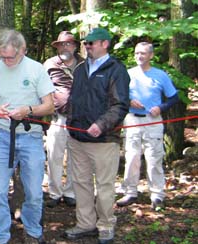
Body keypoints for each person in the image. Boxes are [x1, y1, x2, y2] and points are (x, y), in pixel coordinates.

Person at [0, 29, 54, 244]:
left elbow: (50, 105)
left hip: (30, 136)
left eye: (10, 56)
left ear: (22, 50)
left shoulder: (35, 69)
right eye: (1, 55)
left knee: (34, 192)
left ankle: (33, 232)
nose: (5, 60)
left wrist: (29, 110)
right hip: (1, 137)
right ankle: (0, 237)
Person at [64, 27, 130, 244]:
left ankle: (106, 225)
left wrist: (101, 125)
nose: (87, 47)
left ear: (105, 44)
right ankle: (85, 223)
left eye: (91, 43)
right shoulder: (81, 69)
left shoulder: (116, 70)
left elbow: (120, 105)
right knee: (80, 183)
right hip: (77, 137)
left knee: (104, 185)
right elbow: (75, 99)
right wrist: (70, 122)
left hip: (103, 140)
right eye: (86, 43)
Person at [116, 42, 179, 210]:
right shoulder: (127, 74)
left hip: (153, 121)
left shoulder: (160, 75)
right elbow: (117, 96)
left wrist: (161, 107)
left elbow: (173, 97)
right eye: (137, 53)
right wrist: (129, 101)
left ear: (151, 55)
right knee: (131, 157)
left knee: (154, 158)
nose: (139, 56)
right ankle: (130, 192)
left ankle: (157, 195)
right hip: (132, 120)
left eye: (143, 53)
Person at [43, 31, 81, 208]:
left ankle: (71, 192)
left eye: (68, 44)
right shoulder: (49, 64)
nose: (65, 47)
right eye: (61, 44)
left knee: (76, 157)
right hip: (58, 117)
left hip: (80, 119)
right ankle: (54, 192)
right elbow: (41, 88)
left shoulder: (84, 64)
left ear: (74, 46)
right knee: (54, 156)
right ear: (57, 47)